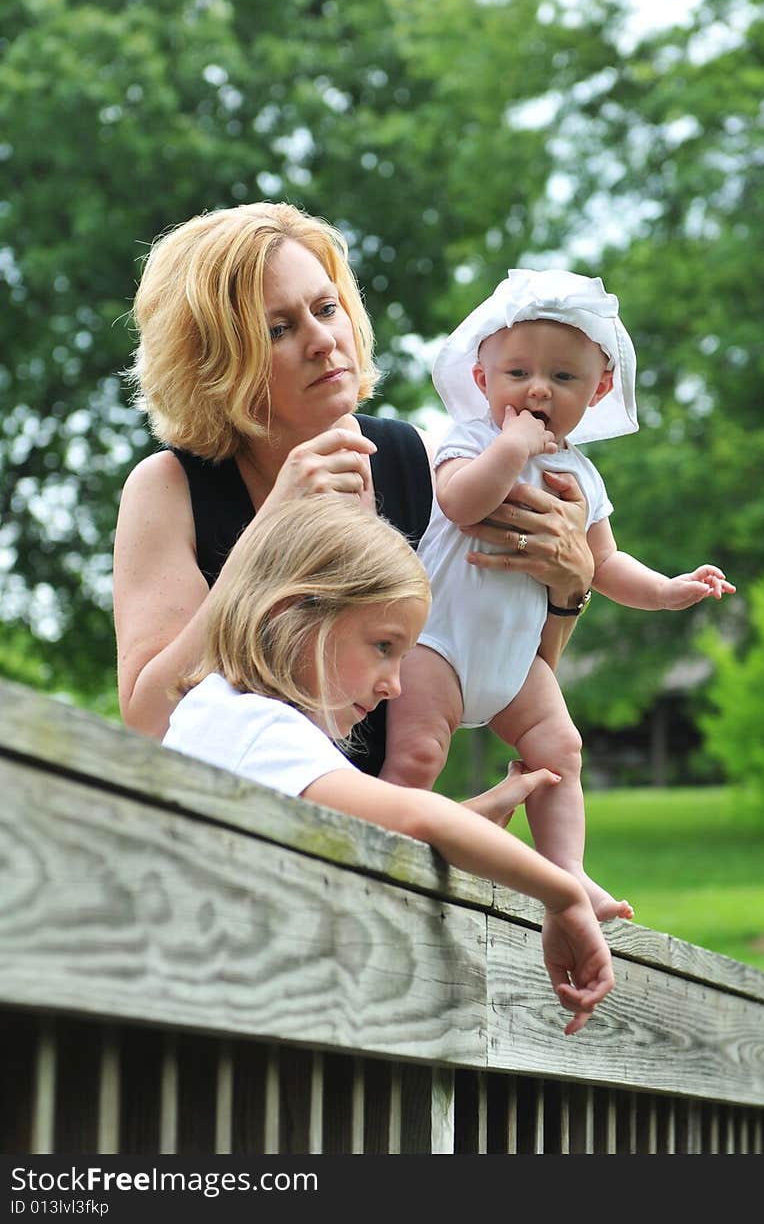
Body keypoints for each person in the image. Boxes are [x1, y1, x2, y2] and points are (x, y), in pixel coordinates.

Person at [113, 203, 594, 808]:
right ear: (213, 361)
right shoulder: (169, 489)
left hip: (381, 836)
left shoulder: (429, 466)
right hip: (222, 835)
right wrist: (271, 534)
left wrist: (566, 593)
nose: (322, 341)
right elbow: (152, 723)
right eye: (278, 329)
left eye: (325, 308)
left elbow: (499, 672)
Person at [163, 495, 615, 1035]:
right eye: (383, 646)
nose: (395, 685)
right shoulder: (256, 725)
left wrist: (470, 819)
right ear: (294, 612)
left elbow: (377, 828)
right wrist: (562, 894)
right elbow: (414, 819)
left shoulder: (219, 714)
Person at [382, 268, 736, 919]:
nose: (538, 387)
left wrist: (666, 590)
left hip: (515, 662)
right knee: (416, 751)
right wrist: (513, 447)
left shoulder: (581, 474)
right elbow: (461, 503)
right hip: (439, 640)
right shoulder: (471, 438)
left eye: (563, 377)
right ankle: (387, 847)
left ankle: (565, 872)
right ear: (483, 380)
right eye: (518, 373)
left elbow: (602, 560)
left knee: (560, 748)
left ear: (598, 389)